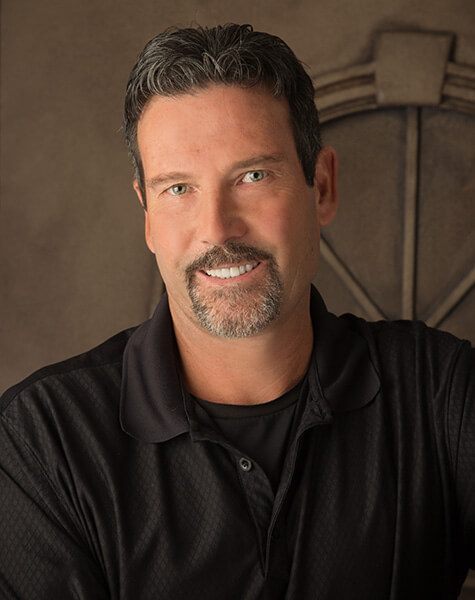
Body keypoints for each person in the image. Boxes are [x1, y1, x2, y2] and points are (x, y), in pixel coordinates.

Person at [0, 23, 473, 600]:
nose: (218, 230)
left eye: (252, 176)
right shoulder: (39, 442)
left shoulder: (443, 394)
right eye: (178, 189)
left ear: (320, 186)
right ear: (147, 214)